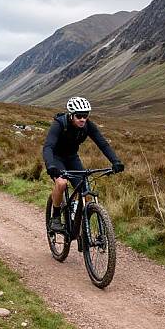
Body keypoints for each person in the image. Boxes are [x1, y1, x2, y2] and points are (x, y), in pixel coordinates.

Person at [43, 96, 124, 232]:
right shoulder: (60, 124)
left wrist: (115, 161)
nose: (82, 119)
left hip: (72, 158)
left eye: (85, 115)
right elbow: (48, 147)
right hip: (56, 158)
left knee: (85, 192)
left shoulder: (88, 126)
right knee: (62, 183)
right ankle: (56, 217)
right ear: (71, 115)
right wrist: (51, 166)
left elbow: (102, 144)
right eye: (79, 116)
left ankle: (81, 225)